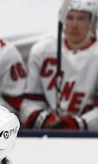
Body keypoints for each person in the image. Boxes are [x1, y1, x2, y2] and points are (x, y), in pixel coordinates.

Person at [21, 0, 98, 130]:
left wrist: (78, 123)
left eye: (81, 19)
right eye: (70, 17)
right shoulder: (42, 50)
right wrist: (44, 120)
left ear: (93, 22)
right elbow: (29, 102)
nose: (74, 25)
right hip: (49, 133)